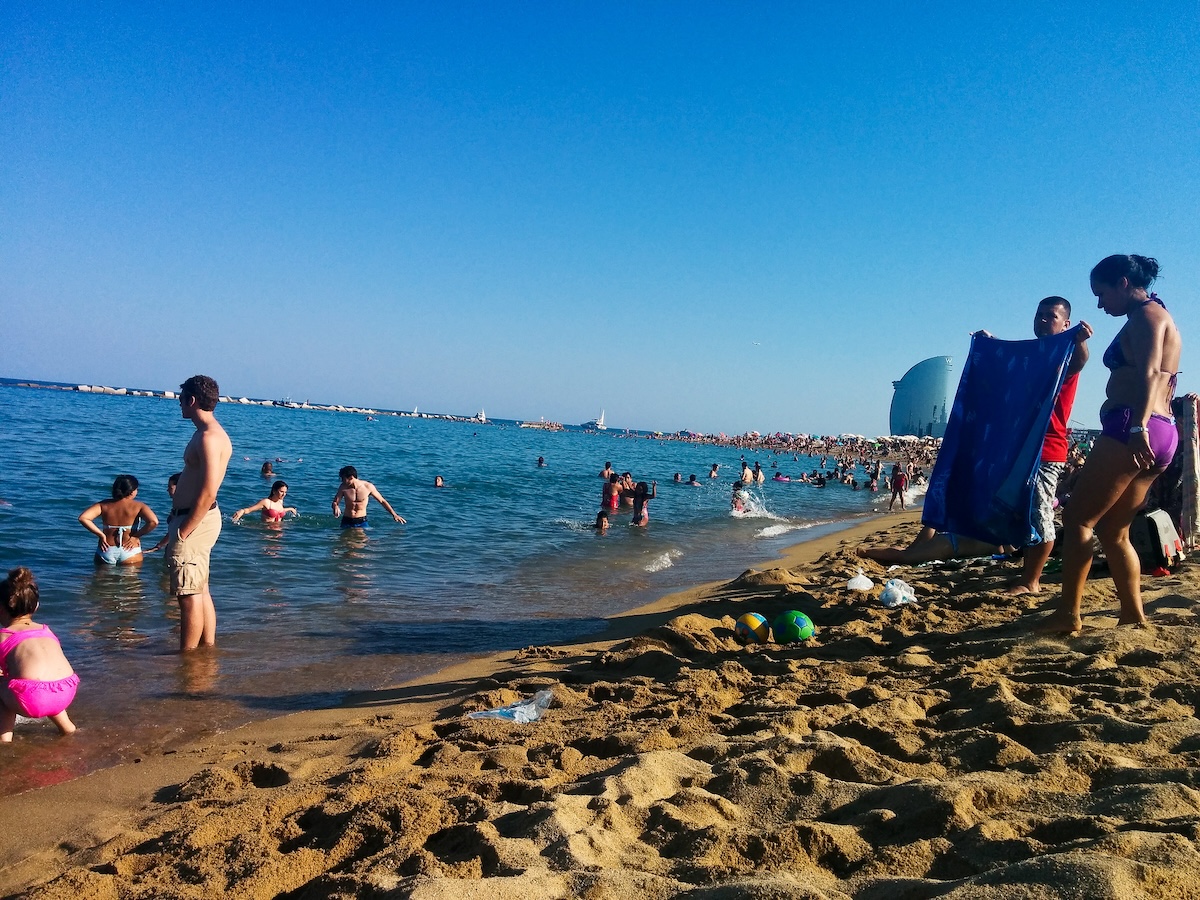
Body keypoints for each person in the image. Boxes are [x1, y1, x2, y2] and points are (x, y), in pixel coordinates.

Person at [1039, 255, 1182, 633]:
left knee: (1077, 518)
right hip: (1162, 429)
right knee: (1113, 531)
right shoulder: (1161, 315)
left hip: (1134, 427)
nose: (1100, 305)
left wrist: (1136, 427)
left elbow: (1151, 371)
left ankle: (1068, 614)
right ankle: (1133, 615)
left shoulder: (1146, 317)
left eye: (1101, 294)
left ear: (1122, 283)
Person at [999, 297, 1093, 595]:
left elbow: (1080, 361)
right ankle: (1027, 572)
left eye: (1050, 316)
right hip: (1022, 447)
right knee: (1023, 512)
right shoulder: (1033, 355)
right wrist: (990, 348)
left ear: (1065, 324)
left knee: (1040, 513)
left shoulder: (1065, 354)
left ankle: (1032, 581)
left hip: (1048, 448)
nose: (1042, 320)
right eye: (1038, 315)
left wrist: (1079, 342)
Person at [166, 376, 232, 652]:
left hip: (195, 520)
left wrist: (184, 530)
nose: (179, 404)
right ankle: (206, 649)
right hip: (195, 518)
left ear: (192, 401)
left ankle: (188, 658)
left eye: (181, 399)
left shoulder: (208, 438)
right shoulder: (207, 434)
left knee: (189, 593)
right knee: (200, 588)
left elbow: (208, 492)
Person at [0, 567, 78, 741]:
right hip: (66, 691)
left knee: (3, 688)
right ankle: (68, 728)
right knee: (46, 682)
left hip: (33, 699)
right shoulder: (45, 630)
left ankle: (4, 739)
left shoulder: (3, 635)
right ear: (36, 606)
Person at [78, 475, 159, 565]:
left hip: (106, 549)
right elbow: (153, 522)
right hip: (130, 550)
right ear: (131, 491)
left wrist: (101, 535)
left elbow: (83, 518)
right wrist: (136, 536)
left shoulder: (103, 505)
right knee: (131, 579)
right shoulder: (139, 506)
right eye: (136, 489)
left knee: (102, 579)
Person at [857, 527, 1000, 565]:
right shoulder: (1006, 542)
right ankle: (865, 552)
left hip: (951, 539)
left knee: (909, 552)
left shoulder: (1002, 533)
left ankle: (867, 551)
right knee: (906, 556)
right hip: (949, 545)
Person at [332, 466, 405, 528]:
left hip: (362, 521)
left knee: (363, 543)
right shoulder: (343, 487)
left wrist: (394, 515)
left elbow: (382, 501)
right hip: (347, 520)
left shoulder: (368, 487)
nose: (342, 481)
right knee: (343, 543)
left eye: (343, 478)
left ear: (351, 477)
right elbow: (335, 502)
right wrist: (335, 506)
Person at [231, 481, 297, 524]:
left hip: (279, 532)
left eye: (285, 492)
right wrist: (242, 511)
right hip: (267, 532)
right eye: (281, 491)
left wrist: (290, 509)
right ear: (274, 491)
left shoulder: (280, 501)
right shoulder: (266, 502)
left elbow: (280, 510)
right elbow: (249, 510)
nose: (284, 494)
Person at [147, 473, 180, 553]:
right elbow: (174, 530)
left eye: (170, 487)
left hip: (179, 548)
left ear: (180, 487)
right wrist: (159, 545)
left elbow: (178, 531)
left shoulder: (183, 508)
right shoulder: (177, 505)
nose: (167, 490)